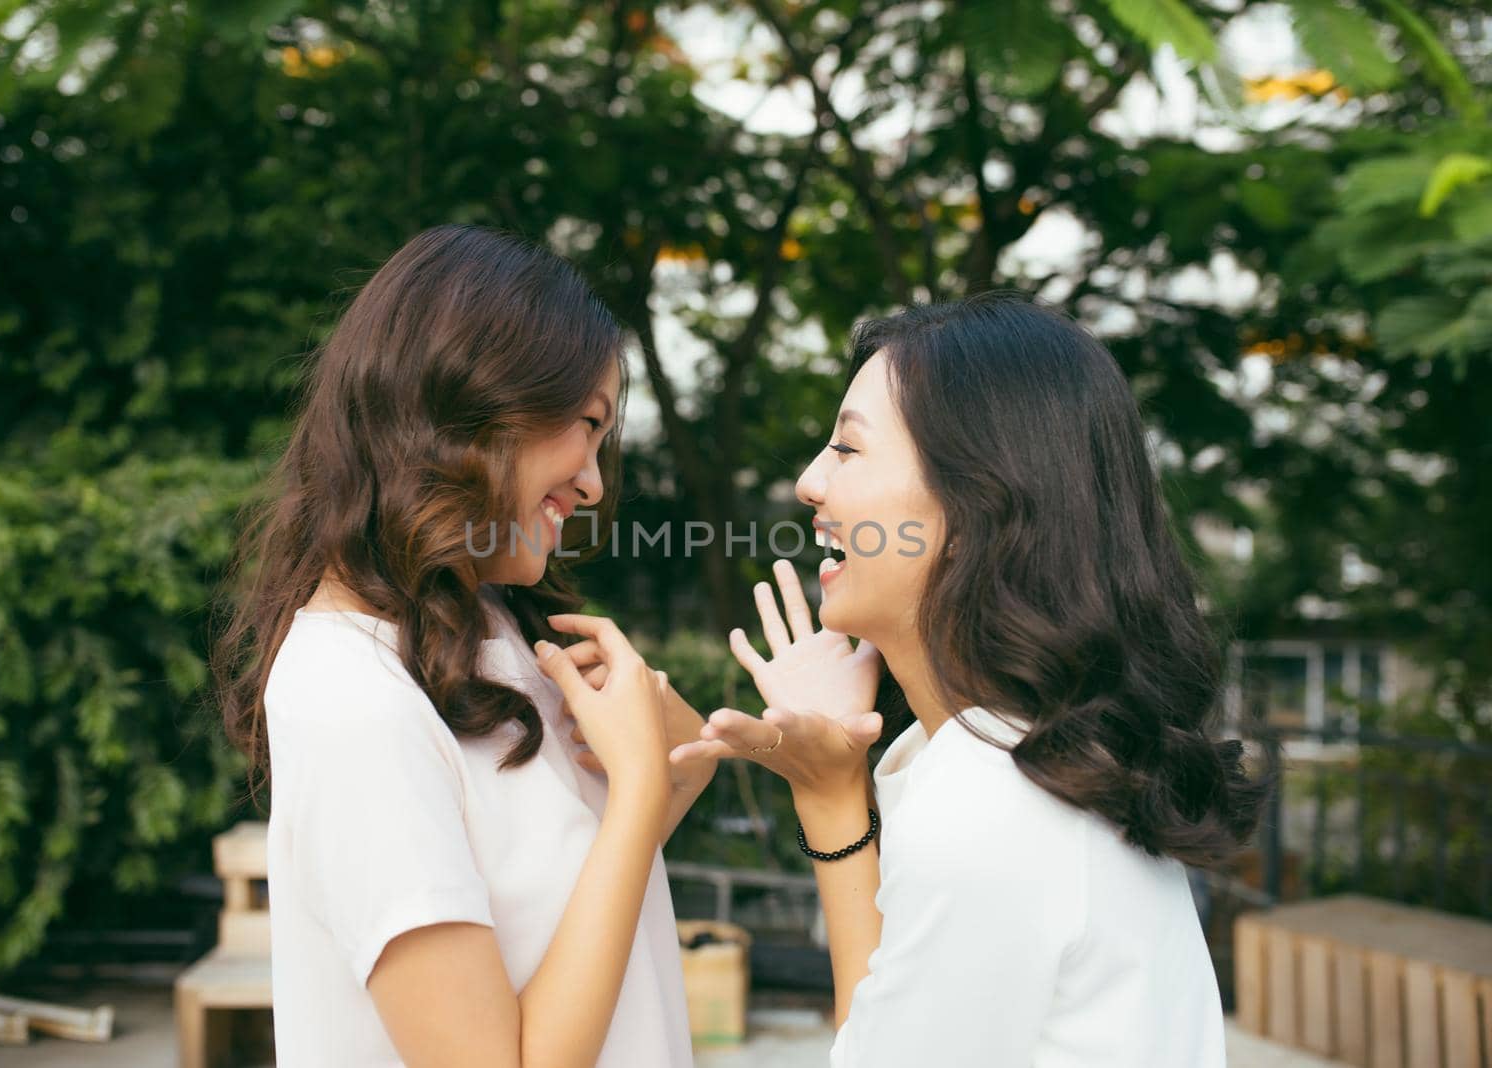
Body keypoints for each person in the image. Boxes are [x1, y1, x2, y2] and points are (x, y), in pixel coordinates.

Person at [671, 295, 1266, 1066]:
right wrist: (831, 789)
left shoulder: (993, 805)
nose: (810, 482)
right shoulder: (1041, 761)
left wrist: (824, 796)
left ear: (974, 510)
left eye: (848, 450)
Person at [210, 225, 711, 1067]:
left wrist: (675, 760)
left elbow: (576, 912)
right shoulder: (353, 700)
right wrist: (633, 798)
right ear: (471, 406)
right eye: (585, 426)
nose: (592, 480)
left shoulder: (480, 626)